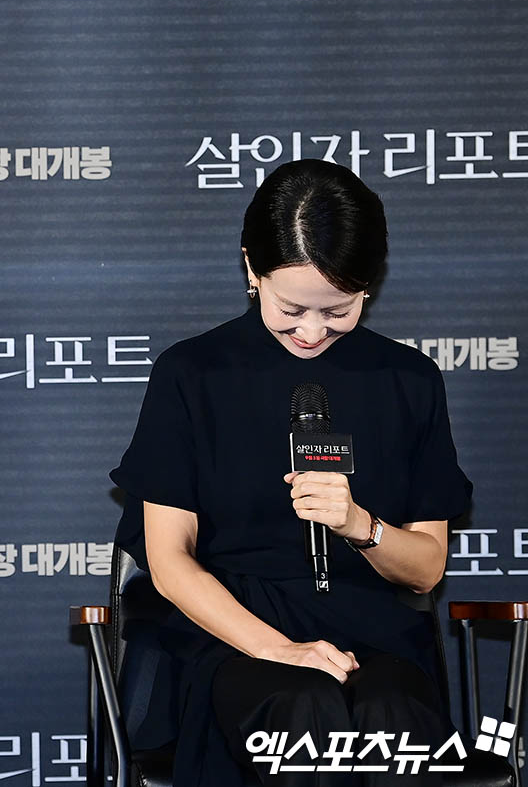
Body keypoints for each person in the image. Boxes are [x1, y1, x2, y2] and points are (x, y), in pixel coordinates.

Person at [110, 159, 470, 786]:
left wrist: (360, 525)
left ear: (367, 286)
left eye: (337, 310)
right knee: (301, 712)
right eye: (292, 307)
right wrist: (277, 648)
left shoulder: (407, 380)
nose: (311, 331)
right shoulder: (193, 375)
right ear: (252, 268)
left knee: (393, 719)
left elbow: (425, 568)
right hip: (234, 635)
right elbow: (169, 563)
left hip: (375, 633)